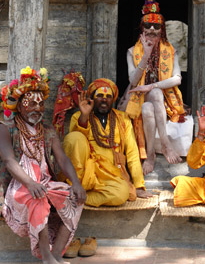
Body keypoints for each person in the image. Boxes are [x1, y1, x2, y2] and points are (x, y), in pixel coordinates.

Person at [0, 66, 86, 264]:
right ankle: (46, 257)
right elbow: (9, 161)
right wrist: (30, 183)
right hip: (17, 187)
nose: (37, 109)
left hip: (44, 184)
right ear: (20, 106)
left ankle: (56, 254)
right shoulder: (4, 129)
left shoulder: (47, 130)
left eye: (40, 105)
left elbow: (63, 159)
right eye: (31, 104)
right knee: (38, 197)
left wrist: (76, 182)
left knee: (74, 198)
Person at [63, 78, 152, 207]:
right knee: (74, 137)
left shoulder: (123, 119)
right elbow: (74, 147)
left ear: (113, 99)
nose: (104, 99)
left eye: (108, 96)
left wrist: (139, 185)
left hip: (111, 174)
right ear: (92, 98)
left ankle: (78, 197)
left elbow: (132, 152)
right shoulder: (78, 117)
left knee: (121, 194)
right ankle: (77, 187)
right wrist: (84, 117)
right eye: (100, 95)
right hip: (85, 173)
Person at [124, 0, 186, 175]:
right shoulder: (131, 51)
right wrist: (146, 55)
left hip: (162, 98)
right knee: (145, 108)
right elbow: (133, 81)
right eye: (148, 26)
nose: (152, 29)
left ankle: (156, 151)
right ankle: (155, 151)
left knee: (153, 100)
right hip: (137, 98)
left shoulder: (170, 50)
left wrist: (151, 86)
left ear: (162, 29)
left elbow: (177, 79)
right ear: (142, 29)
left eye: (156, 26)